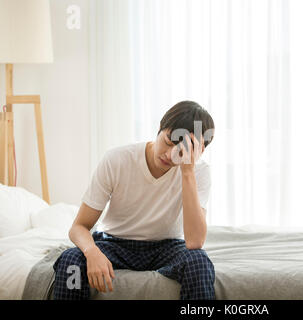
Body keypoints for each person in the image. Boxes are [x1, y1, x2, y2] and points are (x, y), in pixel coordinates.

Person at [52, 101, 216, 300]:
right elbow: (78, 227)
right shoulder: (117, 159)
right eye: (167, 141)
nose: (168, 155)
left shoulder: (199, 172)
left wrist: (187, 171)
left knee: (199, 262)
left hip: (167, 247)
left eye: (179, 151)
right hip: (115, 244)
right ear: (160, 129)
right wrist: (91, 252)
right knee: (71, 262)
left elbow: (195, 241)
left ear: (197, 152)